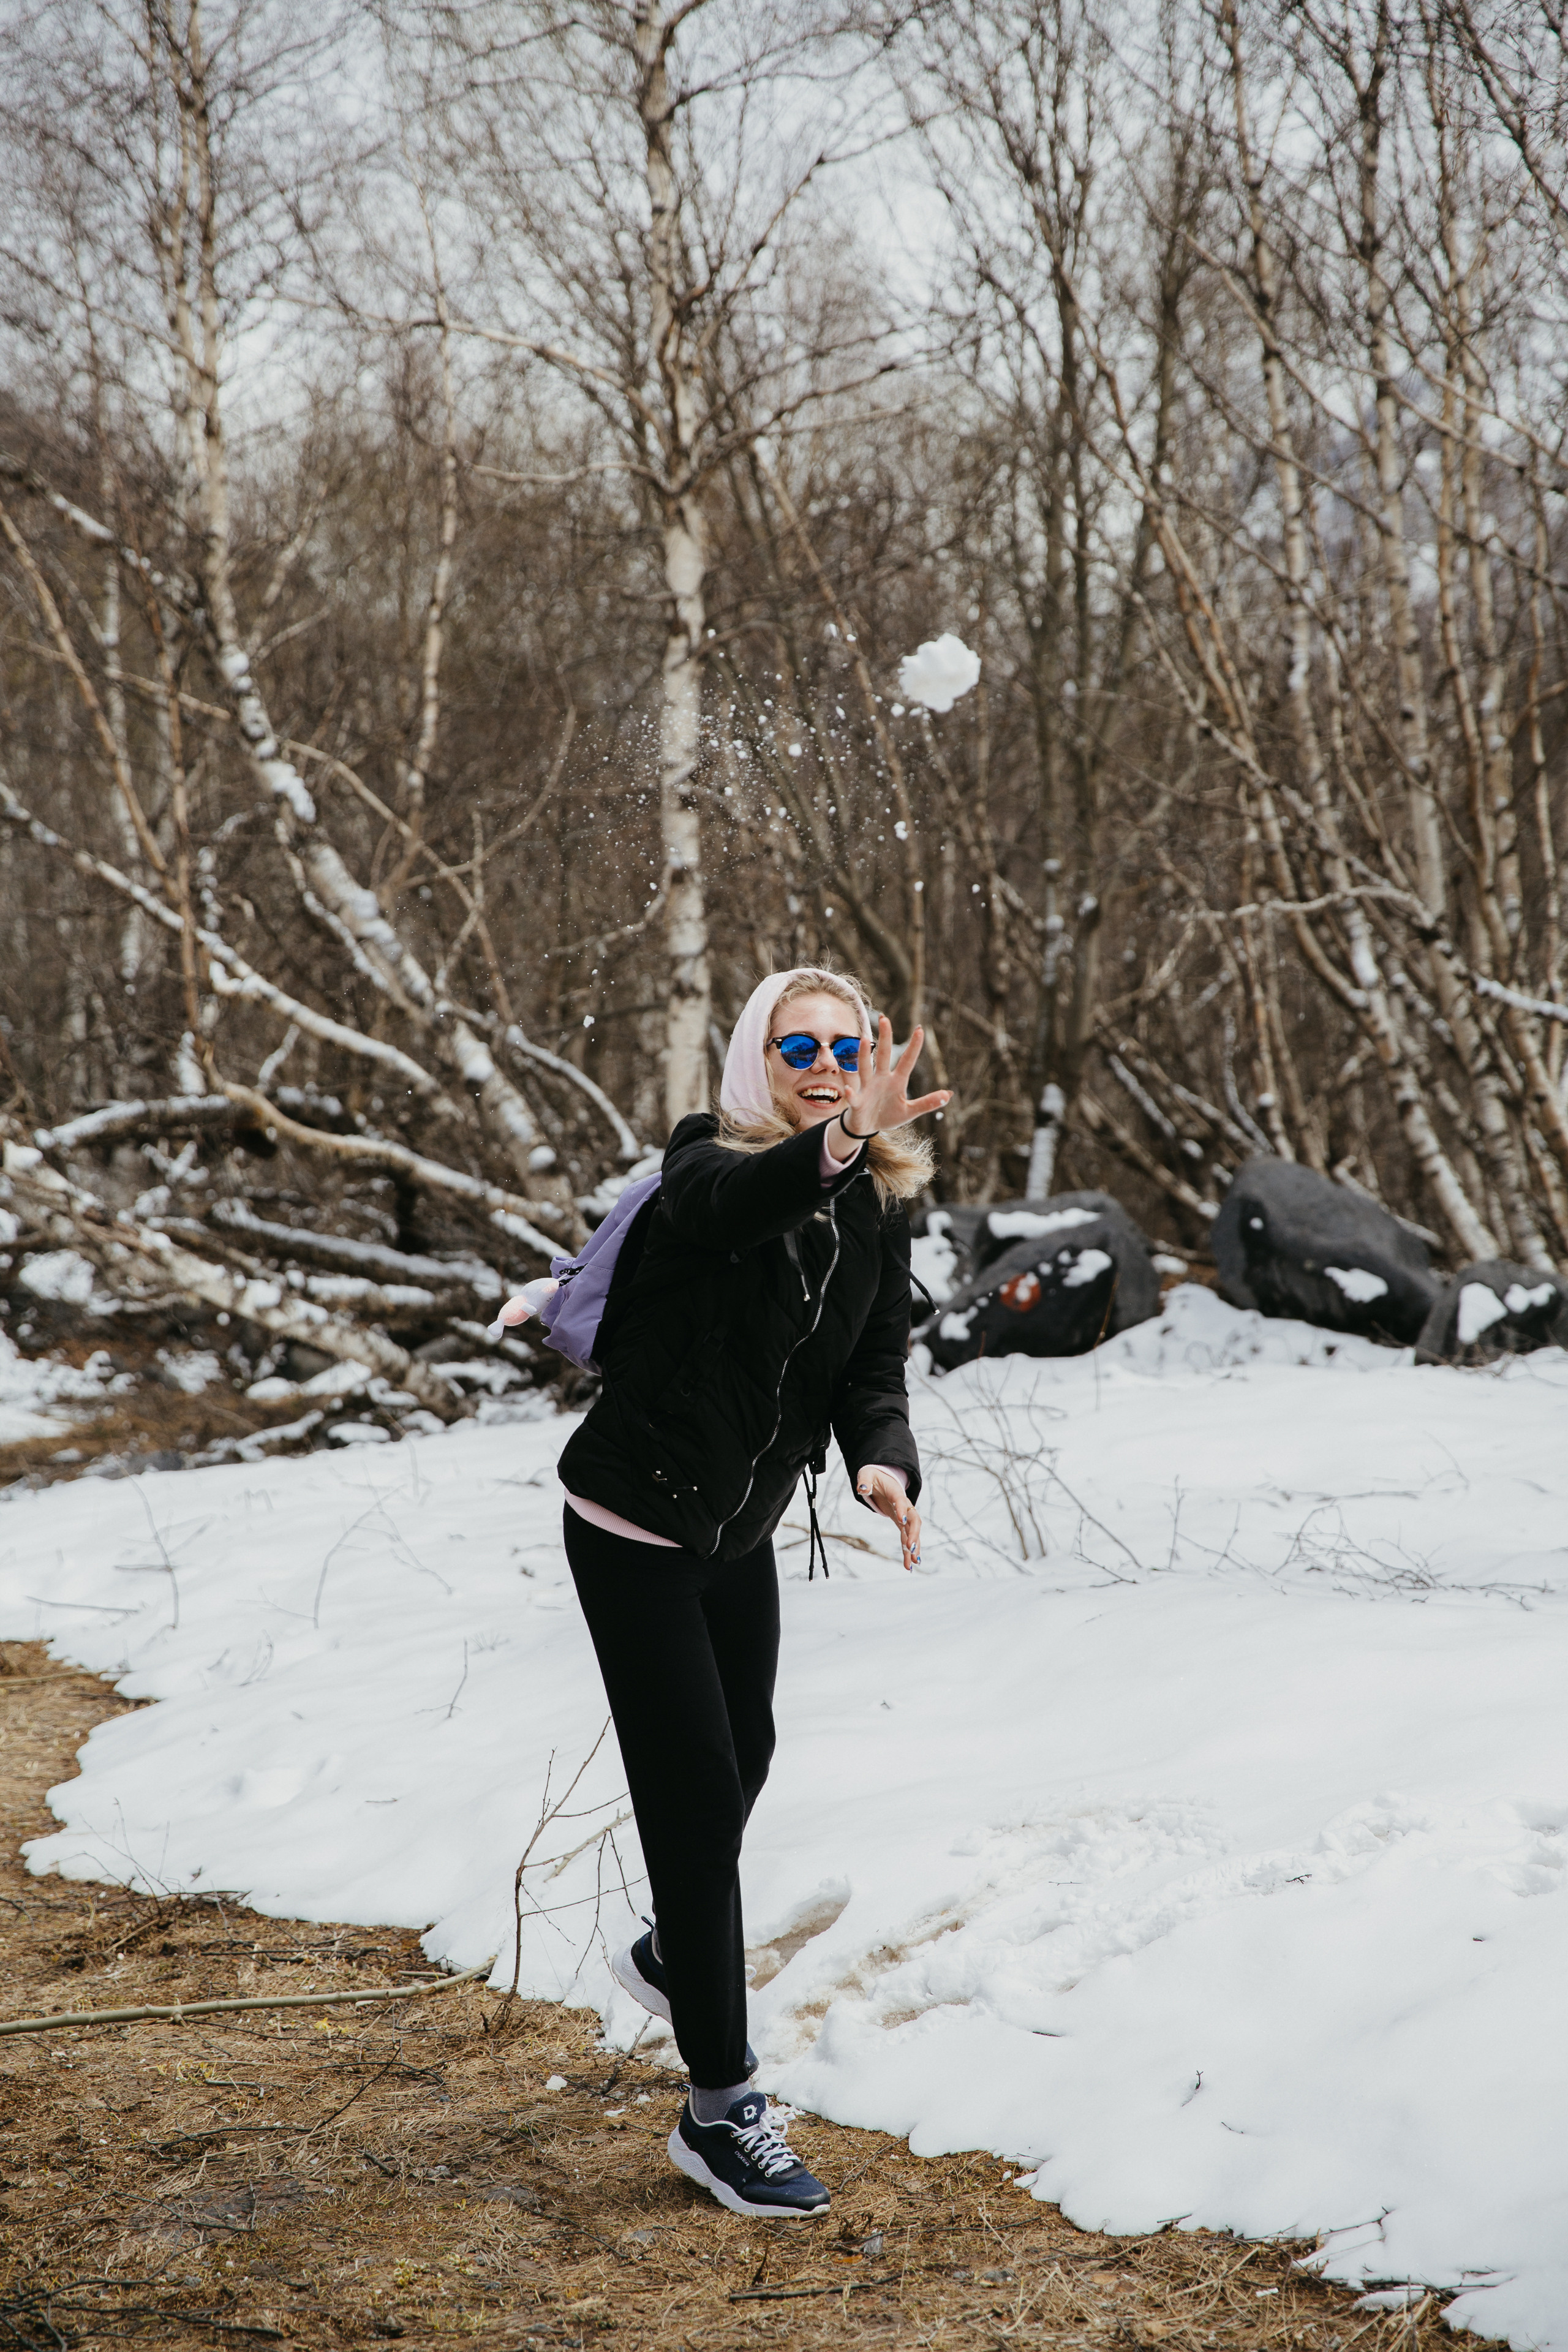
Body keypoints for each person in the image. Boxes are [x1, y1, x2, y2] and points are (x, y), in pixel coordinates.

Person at [556, 965, 951, 2218]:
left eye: (847, 1045)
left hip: (734, 1533)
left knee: (745, 1759)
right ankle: (720, 2110)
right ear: (755, 1061)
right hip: (630, 1524)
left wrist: (881, 1459)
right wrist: (838, 1141)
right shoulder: (703, 1171)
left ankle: (676, 1953)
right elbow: (737, 1206)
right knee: (690, 1812)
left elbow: (870, 1358)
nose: (825, 1062)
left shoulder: (876, 1209)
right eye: (798, 1046)